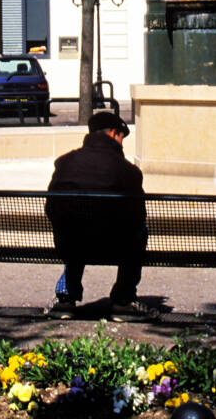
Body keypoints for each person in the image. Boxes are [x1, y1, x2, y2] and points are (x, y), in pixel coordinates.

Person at [44, 111, 158, 320]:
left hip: (70, 246)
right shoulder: (128, 171)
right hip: (113, 247)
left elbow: (51, 208)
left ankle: (66, 299)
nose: (122, 144)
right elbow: (138, 217)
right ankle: (123, 300)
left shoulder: (65, 163)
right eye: (122, 138)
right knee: (140, 231)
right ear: (114, 133)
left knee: (72, 226)